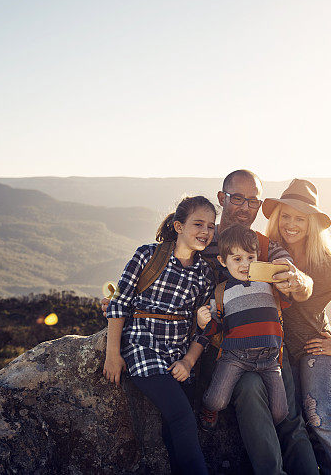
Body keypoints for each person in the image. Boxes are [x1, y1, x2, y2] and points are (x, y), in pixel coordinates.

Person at [102, 170, 319, 475]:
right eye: (238, 198)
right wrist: (122, 303)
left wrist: (297, 281)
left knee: (290, 420)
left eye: (253, 201)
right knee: (243, 395)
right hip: (221, 349)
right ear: (222, 198)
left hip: (265, 343)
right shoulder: (202, 240)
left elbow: (301, 281)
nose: (245, 207)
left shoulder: (263, 245)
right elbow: (165, 278)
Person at [263, 179, 331, 475]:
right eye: (285, 216)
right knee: (291, 417)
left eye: (299, 218)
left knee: (322, 414)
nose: (290, 224)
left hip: (316, 348)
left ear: (312, 223)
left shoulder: (327, 264)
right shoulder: (267, 251)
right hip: (281, 350)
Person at [102, 195, 216, 475]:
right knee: (181, 416)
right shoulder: (148, 255)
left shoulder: (204, 274)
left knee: (172, 426)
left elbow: (204, 330)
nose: (205, 232)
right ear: (178, 226)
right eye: (198, 224)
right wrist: (113, 355)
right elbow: (119, 303)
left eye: (211, 226)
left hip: (177, 355)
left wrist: (188, 362)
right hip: (142, 345)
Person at [195, 224, 290, 430]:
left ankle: (258, 424)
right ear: (222, 261)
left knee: (281, 413)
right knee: (217, 401)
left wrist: (289, 280)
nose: (245, 264)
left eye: (250, 257)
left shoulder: (269, 285)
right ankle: (207, 409)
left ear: (258, 257)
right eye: (237, 259)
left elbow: (290, 297)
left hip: (270, 358)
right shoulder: (221, 292)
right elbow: (215, 327)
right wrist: (204, 322)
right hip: (235, 357)